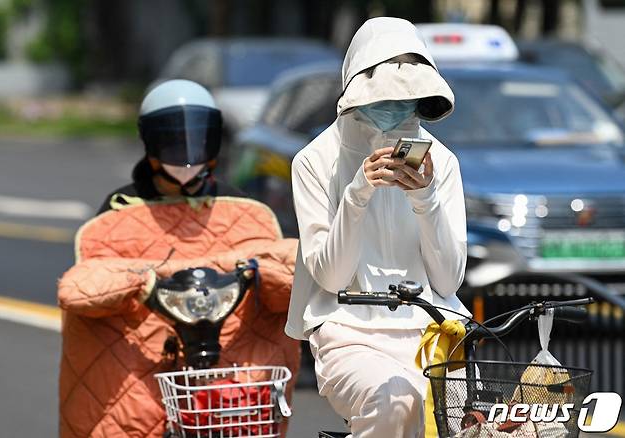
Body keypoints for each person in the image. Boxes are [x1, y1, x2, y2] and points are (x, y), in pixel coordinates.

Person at [58, 80, 299, 437]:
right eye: (172, 139)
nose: (186, 151)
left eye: (198, 137)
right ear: (151, 143)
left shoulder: (245, 211)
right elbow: (90, 286)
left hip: (225, 385)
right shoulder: (118, 209)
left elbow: (285, 277)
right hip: (148, 371)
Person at [285, 17, 471, 438]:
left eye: (406, 98)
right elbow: (330, 276)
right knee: (394, 401)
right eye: (383, 97)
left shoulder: (441, 162)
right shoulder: (316, 161)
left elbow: (447, 278)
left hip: (432, 332)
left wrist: (424, 197)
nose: (395, 108)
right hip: (349, 335)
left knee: (470, 423)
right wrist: (358, 192)